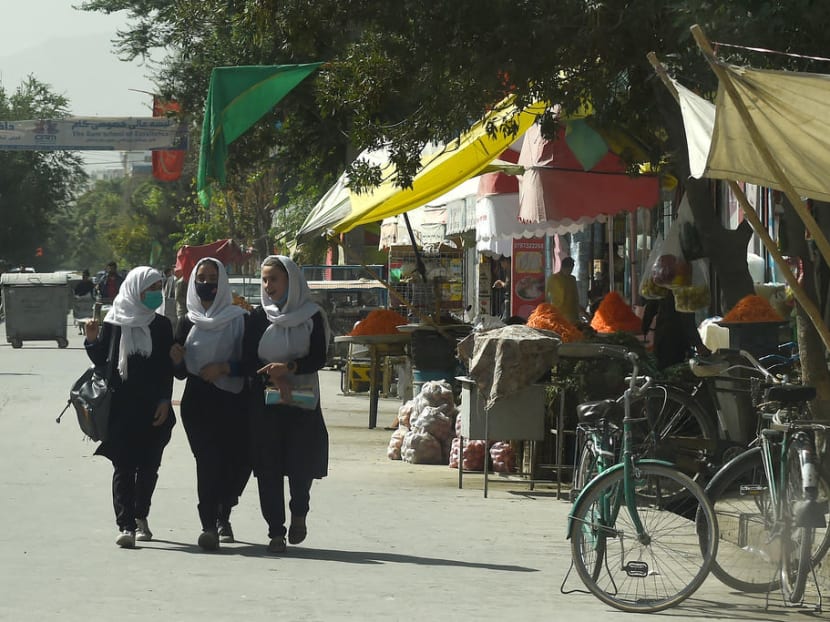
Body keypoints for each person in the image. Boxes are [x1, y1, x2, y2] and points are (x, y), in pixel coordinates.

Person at [241, 255, 330, 554]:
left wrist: (288, 369)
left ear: (290, 281)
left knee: (300, 465)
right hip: (265, 404)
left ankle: (299, 512)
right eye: (264, 280)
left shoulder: (312, 316)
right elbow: (248, 359)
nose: (268, 286)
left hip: (302, 403)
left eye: (274, 280)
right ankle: (275, 531)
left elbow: (320, 356)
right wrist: (273, 378)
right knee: (267, 468)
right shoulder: (257, 317)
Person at [83, 267, 175, 549]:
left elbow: (165, 368)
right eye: (151, 288)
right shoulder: (115, 321)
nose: (155, 293)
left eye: (159, 287)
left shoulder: (161, 325)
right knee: (124, 467)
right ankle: (125, 525)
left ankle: (140, 515)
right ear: (136, 289)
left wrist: (164, 401)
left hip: (153, 408)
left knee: (149, 468)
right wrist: (92, 338)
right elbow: (102, 360)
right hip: (121, 408)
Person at [170, 258, 250, 551]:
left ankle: (224, 510)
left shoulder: (239, 319)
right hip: (198, 402)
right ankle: (209, 525)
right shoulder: (187, 321)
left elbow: (251, 363)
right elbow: (179, 372)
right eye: (201, 278)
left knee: (238, 463)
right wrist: (177, 360)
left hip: (233, 400)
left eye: (213, 278)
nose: (207, 284)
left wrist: (225, 368)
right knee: (208, 463)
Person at [641, 291, 710, 370]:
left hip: (662, 337)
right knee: (673, 372)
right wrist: (698, 344)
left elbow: (651, 308)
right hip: (676, 341)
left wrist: (644, 327)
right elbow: (687, 320)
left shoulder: (663, 285)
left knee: (663, 370)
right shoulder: (683, 290)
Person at [545, 256, 580, 324]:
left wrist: (578, 310)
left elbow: (575, 297)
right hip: (558, 312)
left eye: (571, 270)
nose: (570, 272)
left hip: (572, 313)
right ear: (563, 267)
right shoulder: (553, 278)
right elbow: (547, 295)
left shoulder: (572, 279)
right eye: (568, 270)